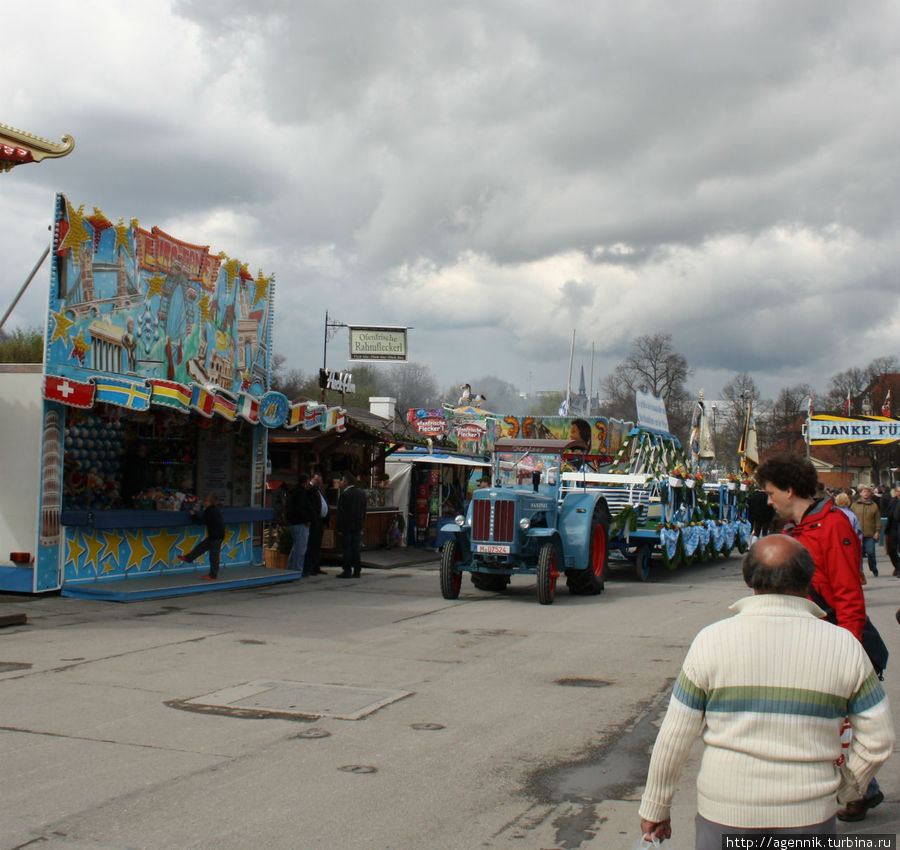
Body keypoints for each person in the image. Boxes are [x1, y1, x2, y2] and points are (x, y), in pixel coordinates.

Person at [638, 535, 894, 848]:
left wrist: (656, 806)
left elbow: (674, 736)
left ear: (749, 578)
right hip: (809, 818)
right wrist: (847, 789)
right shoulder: (844, 647)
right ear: (808, 577)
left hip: (725, 815)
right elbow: (879, 739)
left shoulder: (711, 641)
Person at [756, 454, 885, 822]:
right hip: (802, 643)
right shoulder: (787, 534)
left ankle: (859, 789)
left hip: (834, 641)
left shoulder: (832, 526)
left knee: (844, 724)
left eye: (770, 493)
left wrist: (848, 652)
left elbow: (848, 595)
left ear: (789, 490)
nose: (768, 501)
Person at [178, 492, 225, 580]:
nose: (204, 502)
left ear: (209, 502)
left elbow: (201, 522)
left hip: (216, 536)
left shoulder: (210, 511)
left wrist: (193, 515)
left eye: (205, 501)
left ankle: (213, 575)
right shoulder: (214, 509)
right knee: (201, 548)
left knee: (214, 556)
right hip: (216, 535)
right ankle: (188, 558)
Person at [336, 472, 367, 578]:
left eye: (342, 481)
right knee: (356, 548)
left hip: (346, 526)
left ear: (346, 482)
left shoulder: (344, 495)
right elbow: (364, 510)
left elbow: (341, 513)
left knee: (347, 548)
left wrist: (339, 528)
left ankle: (347, 570)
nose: (340, 483)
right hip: (358, 525)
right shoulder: (361, 493)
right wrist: (362, 523)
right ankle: (357, 570)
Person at [286, 473, 316, 576]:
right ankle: (297, 570)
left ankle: (290, 569)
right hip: (300, 523)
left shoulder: (295, 491)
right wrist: (307, 519)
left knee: (296, 547)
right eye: (308, 482)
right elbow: (301, 508)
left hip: (294, 523)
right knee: (300, 549)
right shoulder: (301, 493)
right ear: (305, 482)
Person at [851, 485, 881, 577]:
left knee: (870, 552)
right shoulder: (855, 505)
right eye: (864, 492)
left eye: (867, 492)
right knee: (858, 554)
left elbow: (877, 520)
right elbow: (851, 519)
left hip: (870, 533)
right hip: (857, 534)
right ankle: (860, 572)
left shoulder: (874, 506)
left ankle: (873, 568)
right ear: (860, 493)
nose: (866, 494)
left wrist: (877, 531)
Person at [304, 473, 329, 575]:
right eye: (317, 480)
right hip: (313, 521)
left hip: (320, 521)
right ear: (312, 479)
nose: (319, 482)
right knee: (311, 545)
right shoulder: (309, 489)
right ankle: (310, 567)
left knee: (317, 545)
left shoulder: (319, 490)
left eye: (320, 481)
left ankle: (316, 566)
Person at [883, 488, 900, 577]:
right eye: (898, 491)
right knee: (891, 550)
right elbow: (888, 512)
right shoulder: (893, 501)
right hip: (892, 528)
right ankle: (897, 566)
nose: (899, 493)